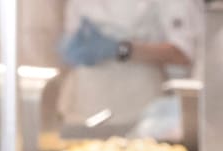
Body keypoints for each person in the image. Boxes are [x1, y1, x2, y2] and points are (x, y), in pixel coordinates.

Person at [58, 0, 200, 134]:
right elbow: (73, 33)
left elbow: (183, 53)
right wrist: (72, 48)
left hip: (139, 109)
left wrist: (122, 49)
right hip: (85, 105)